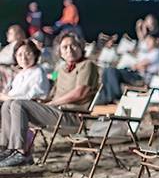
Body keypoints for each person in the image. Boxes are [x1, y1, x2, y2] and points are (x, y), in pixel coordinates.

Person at [0, 33, 99, 167]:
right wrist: (44, 102)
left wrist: (52, 103)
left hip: (73, 116)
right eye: (64, 47)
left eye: (73, 46)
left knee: (17, 104)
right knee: (8, 104)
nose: (69, 50)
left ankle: (21, 152)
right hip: (57, 113)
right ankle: (7, 149)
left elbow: (80, 93)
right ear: (60, 52)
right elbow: (53, 94)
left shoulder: (87, 65)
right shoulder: (62, 69)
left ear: (81, 47)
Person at [97, 33, 159, 104]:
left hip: (142, 78)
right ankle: (106, 97)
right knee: (107, 70)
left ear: (157, 41)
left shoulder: (156, 52)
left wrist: (138, 65)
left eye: (149, 40)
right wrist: (138, 65)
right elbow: (139, 65)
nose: (147, 43)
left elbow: (140, 64)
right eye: (146, 41)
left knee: (112, 71)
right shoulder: (147, 53)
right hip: (135, 74)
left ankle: (115, 96)